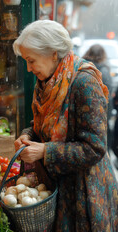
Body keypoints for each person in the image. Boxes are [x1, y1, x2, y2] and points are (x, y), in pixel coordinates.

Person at [13, 20, 118, 232]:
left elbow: (95, 147)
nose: (29, 68)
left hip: (85, 195)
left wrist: (45, 151)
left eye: (31, 60)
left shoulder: (84, 82)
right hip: (57, 189)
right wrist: (27, 135)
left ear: (53, 53)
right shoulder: (46, 80)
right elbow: (42, 123)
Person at [83, 44, 113, 152]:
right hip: (100, 114)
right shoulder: (104, 71)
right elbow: (107, 96)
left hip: (84, 112)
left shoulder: (83, 66)